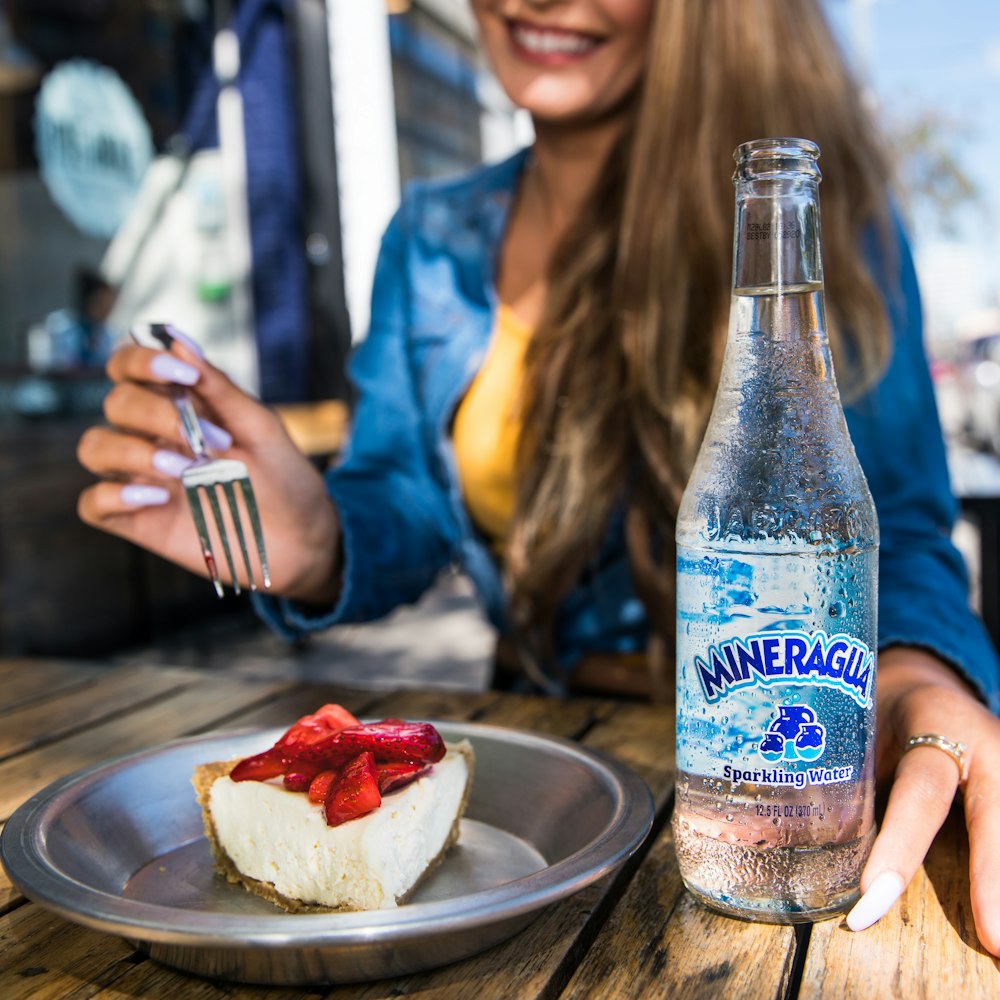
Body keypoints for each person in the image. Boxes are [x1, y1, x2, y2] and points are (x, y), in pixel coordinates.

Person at [76, 0, 1000, 953]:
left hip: (774, 792)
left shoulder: (813, 226)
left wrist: (922, 675)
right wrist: (319, 539)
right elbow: (403, 497)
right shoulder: (428, 240)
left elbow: (897, 528)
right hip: (540, 810)